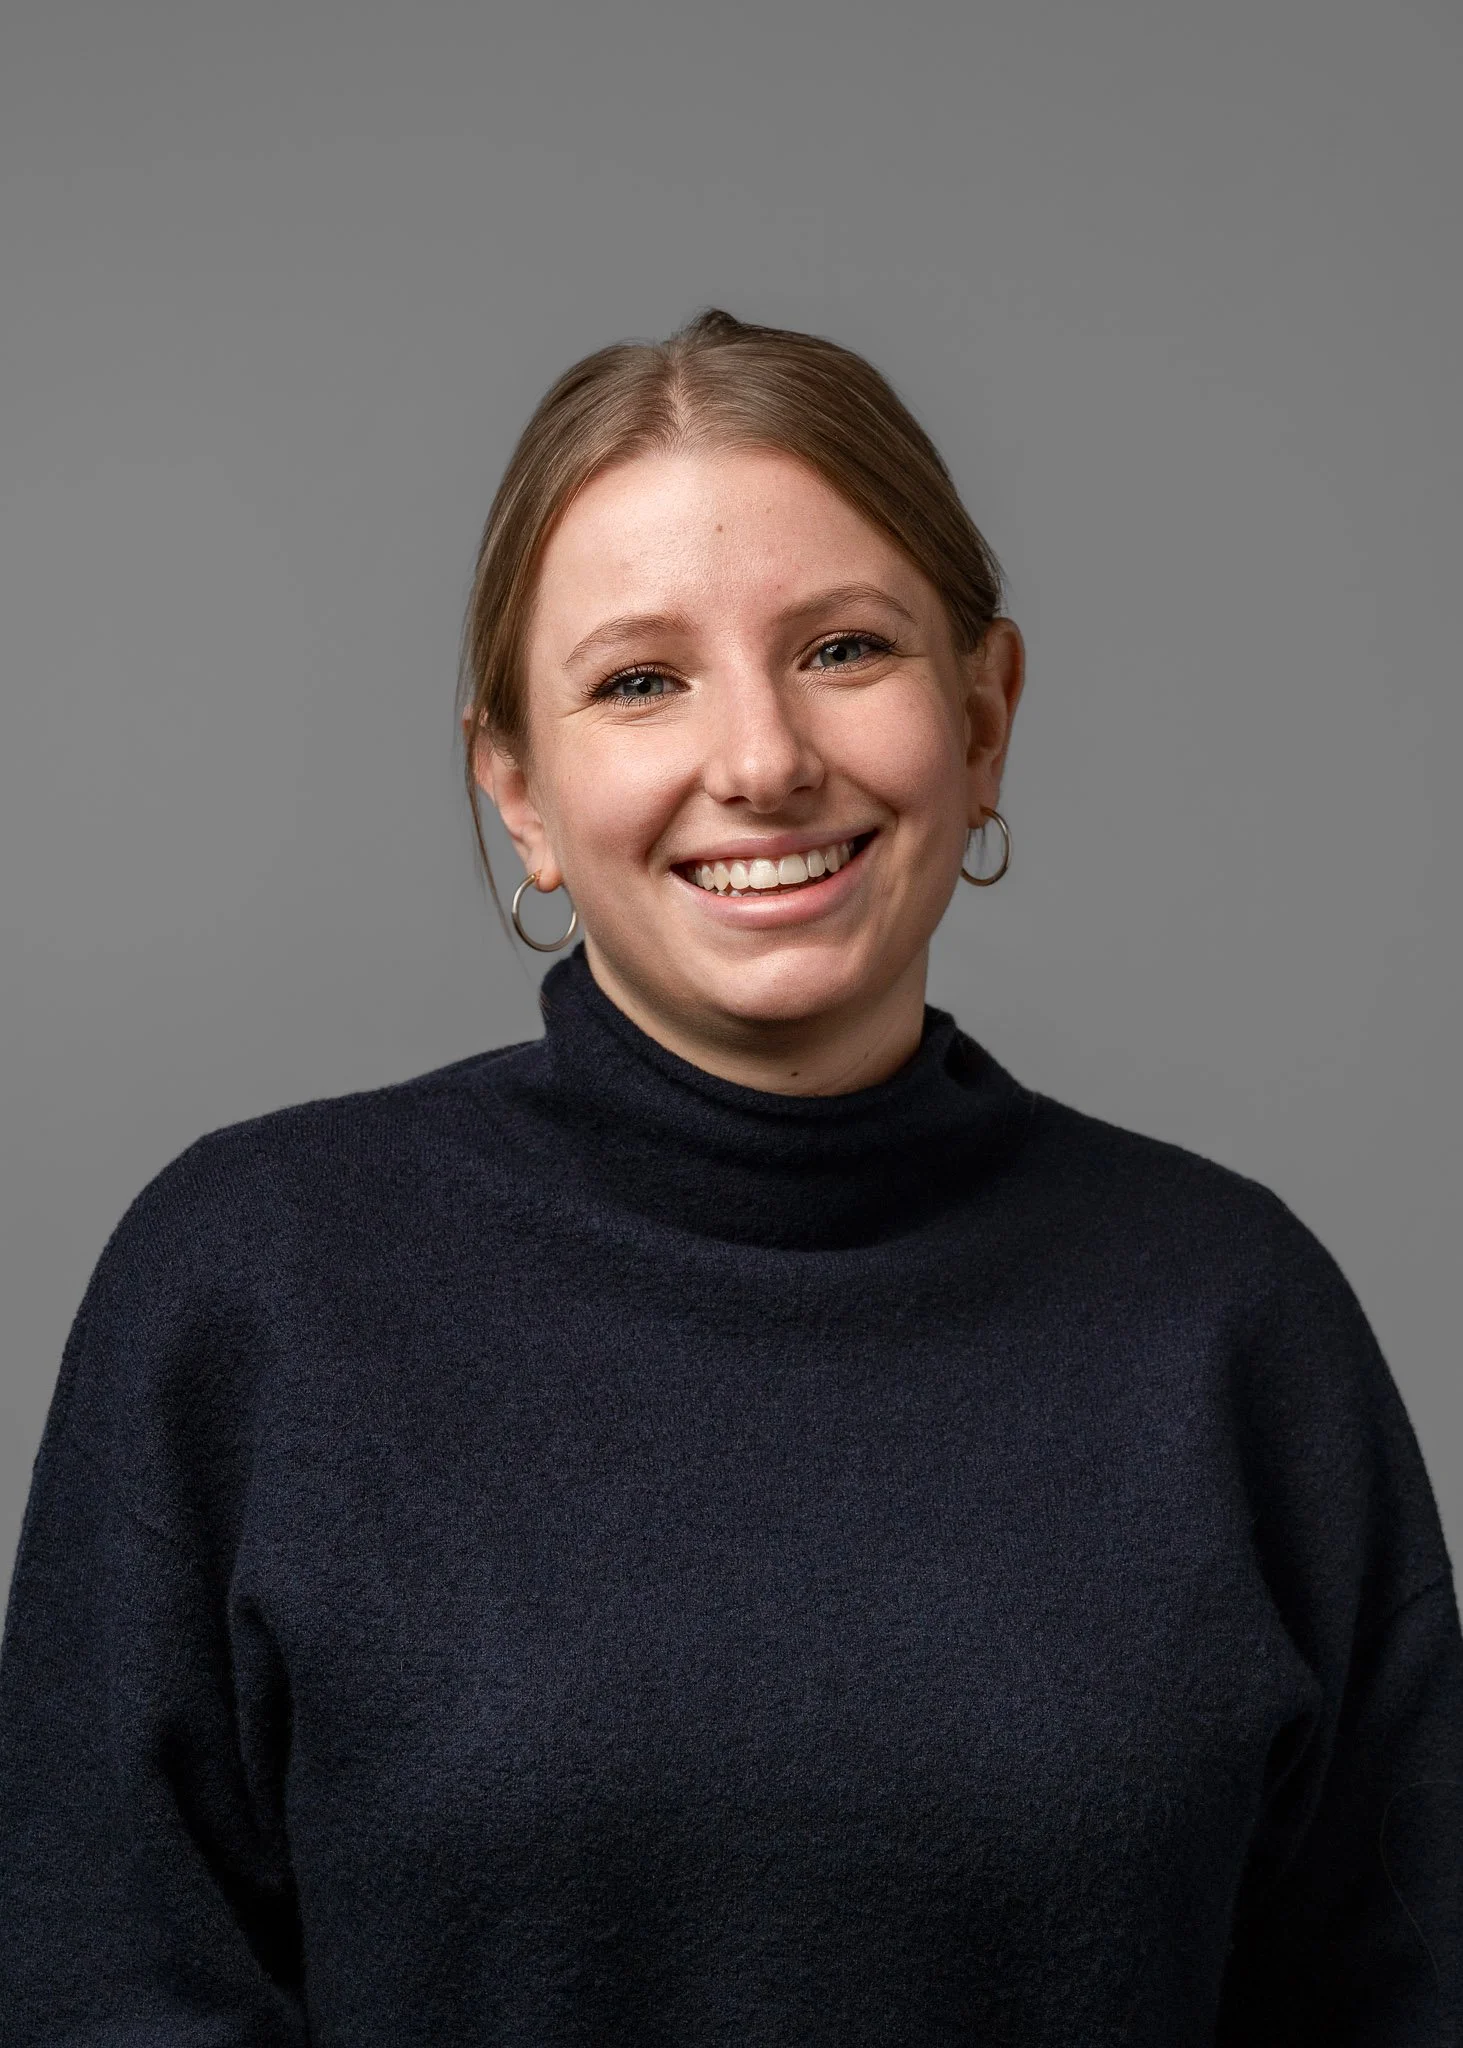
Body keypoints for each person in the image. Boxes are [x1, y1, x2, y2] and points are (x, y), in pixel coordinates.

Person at [0, 308, 1458, 2044]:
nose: (760, 760)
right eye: (639, 680)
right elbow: (99, 1991)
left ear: (982, 717)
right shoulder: (248, 1291)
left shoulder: (1233, 1317)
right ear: (519, 791)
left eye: (842, 647)